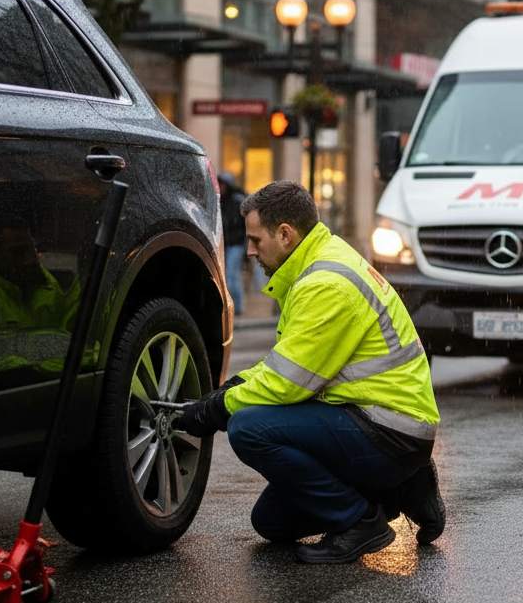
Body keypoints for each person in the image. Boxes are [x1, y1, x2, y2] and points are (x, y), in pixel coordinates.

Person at [175, 181, 444, 564]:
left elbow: (286, 384)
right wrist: (233, 387)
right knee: (270, 522)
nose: (249, 250)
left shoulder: (326, 285)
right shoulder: (321, 264)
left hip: (389, 431)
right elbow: (287, 365)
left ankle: (362, 523)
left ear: (285, 235)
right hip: (378, 421)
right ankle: (400, 488)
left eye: (255, 239)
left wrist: (217, 409)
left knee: (247, 428)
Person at [0, 213, 81, 370]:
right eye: (18, 251)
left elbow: (64, 331)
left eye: (32, 250)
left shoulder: (40, 278)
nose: (30, 259)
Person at [218, 172, 248, 315]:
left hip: (236, 244)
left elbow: (244, 224)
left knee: (231, 275)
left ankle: (237, 307)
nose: (221, 187)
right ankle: (235, 307)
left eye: (223, 184)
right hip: (225, 244)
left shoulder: (237, 202)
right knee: (229, 275)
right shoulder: (220, 202)